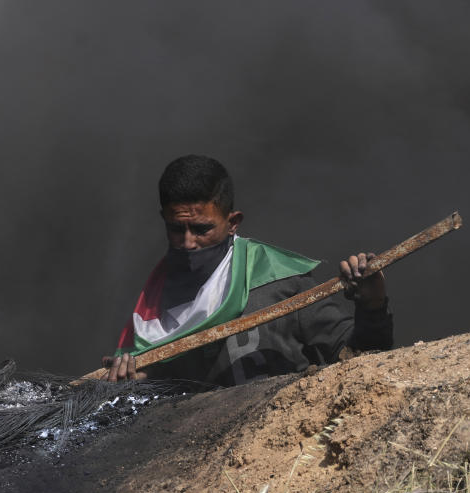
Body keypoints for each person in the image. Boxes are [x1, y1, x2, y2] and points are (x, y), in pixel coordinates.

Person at [103, 155, 392, 384]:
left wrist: (373, 305)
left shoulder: (279, 280)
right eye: (177, 229)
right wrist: (133, 387)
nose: (188, 242)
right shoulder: (150, 314)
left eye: (202, 229)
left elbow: (363, 361)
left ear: (233, 223)